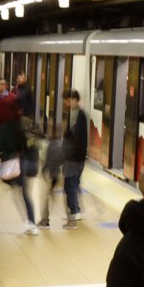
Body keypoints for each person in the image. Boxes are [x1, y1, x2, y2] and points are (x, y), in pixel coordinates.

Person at [61, 89, 88, 229]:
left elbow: (78, 138)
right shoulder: (73, 113)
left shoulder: (80, 115)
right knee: (73, 184)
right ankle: (75, 211)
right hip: (74, 157)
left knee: (70, 185)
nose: (66, 102)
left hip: (74, 157)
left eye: (69, 99)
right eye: (66, 100)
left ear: (76, 100)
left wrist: (71, 155)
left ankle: (74, 213)